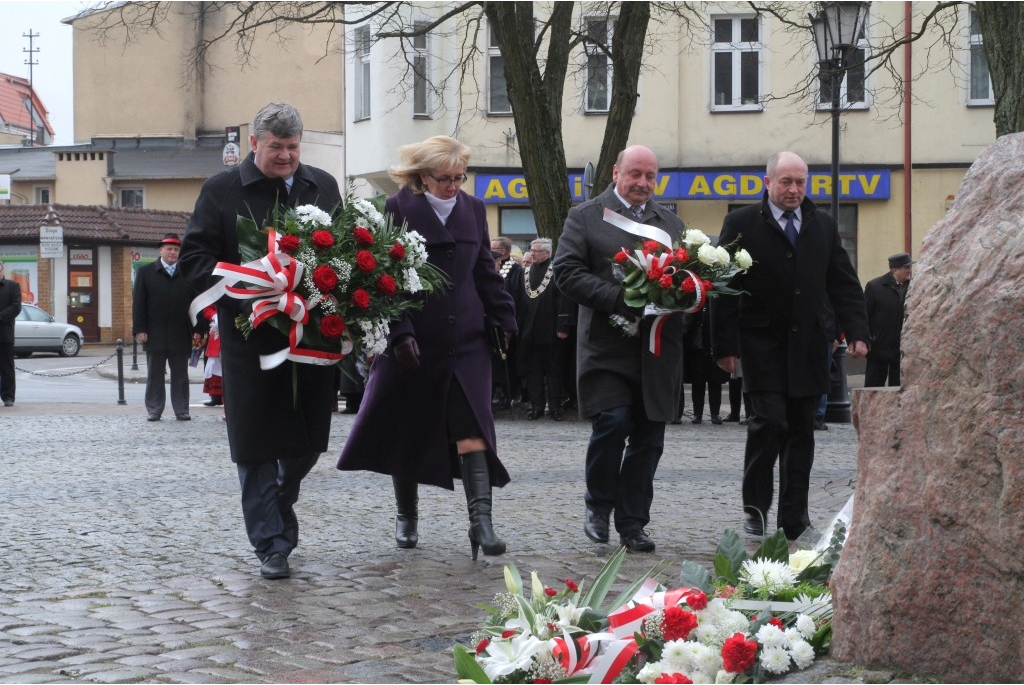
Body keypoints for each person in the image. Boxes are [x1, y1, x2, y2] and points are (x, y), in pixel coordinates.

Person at [179, 101, 343, 580]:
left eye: (293, 147)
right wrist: (248, 297)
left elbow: (346, 247)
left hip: (312, 335)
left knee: (308, 441)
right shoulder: (222, 189)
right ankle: (271, 544)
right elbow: (195, 260)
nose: (287, 156)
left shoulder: (323, 185)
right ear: (254, 144)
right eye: (276, 147)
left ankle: (277, 501)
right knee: (255, 443)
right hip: (249, 337)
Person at [337, 135, 517, 561]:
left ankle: (482, 524)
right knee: (408, 429)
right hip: (413, 342)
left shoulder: (473, 209)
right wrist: (399, 332)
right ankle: (407, 516)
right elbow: (384, 280)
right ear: (422, 176)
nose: (454, 186)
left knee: (472, 429)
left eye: (460, 177)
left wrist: (504, 316)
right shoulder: (396, 209)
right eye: (445, 179)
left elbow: (484, 271)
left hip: (467, 342)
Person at [712, 151, 869, 541]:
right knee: (770, 423)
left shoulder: (823, 225)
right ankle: (755, 508)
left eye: (800, 182)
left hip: (810, 345)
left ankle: (794, 517)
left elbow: (843, 282)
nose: (794, 189)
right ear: (768, 183)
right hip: (761, 343)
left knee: (802, 430)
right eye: (786, 182)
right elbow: (723, 288)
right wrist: (724, 345)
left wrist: (859, 332)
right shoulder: (741, 222)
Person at [552, 145, 687, 553]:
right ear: (616, 173)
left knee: (649, 438)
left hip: (657, 349)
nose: (643, 183)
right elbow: (566, 273)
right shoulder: (586, 217)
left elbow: (686, 277)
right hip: (606, 346)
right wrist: (620, 298)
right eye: (635, 174)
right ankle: (599, 506)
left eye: (650, 176)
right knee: (613, 421)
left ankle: (633, 523)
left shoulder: (672, 223)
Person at [132, 233, 201, 422]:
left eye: (176, 249)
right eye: (169, 249)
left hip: (181, 333)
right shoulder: (145, 272)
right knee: (155, 374)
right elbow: (139, 304)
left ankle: (182, 409)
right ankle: (154, 409)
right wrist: (139, 329)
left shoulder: (188, 273)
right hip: (155, 333)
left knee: (180, 375)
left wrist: (199, 329)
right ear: (160, 250)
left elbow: (197, 303)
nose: (172, 253)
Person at [516, 238, 572, 421]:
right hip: (529, 331)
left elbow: (564, 300)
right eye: (531, 250)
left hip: (551, 330)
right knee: (533, 372)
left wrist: (563, 326)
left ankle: (555, 407)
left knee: (554, 372)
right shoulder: (525, 272)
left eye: (536, 251)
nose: (532, 253)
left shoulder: (557, 272)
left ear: (547, 253)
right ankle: (536, 406)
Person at [864, 252, 913, 387]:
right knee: (873, 389)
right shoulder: (875, 286)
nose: (909, 270)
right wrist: (866, 339)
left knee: (899, 389)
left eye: (910, 267)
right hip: (878, 346)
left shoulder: (914, 287)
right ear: (894, 270)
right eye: (906, 267)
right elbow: (864, 316)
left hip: (903, 349)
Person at [490, 236, 524, 410]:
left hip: (508, 322)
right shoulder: (489, 267)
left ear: (503, 251)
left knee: (507, 360)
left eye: (494, 248)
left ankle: (508, 394)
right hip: (492, 322)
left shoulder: (515, 269)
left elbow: (518, 295)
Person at [687, 305, 729, 425]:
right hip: (698, 345)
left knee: (715, 381)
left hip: (714, 345)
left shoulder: (716, 302)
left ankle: (715, 414)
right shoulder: (697, 301)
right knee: (697, 381)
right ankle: (697, 414)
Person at [0, 261, 22, 407]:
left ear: (1, 270)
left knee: (7, 367)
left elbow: (16, 306)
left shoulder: (12, 286)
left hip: (4, 334)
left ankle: (8, 396)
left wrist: (1, 316)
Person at [199, 305, 223, 409]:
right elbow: (207, 308)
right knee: (214, 367)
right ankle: (216, 396)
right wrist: (214, 316)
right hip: (217, 332)